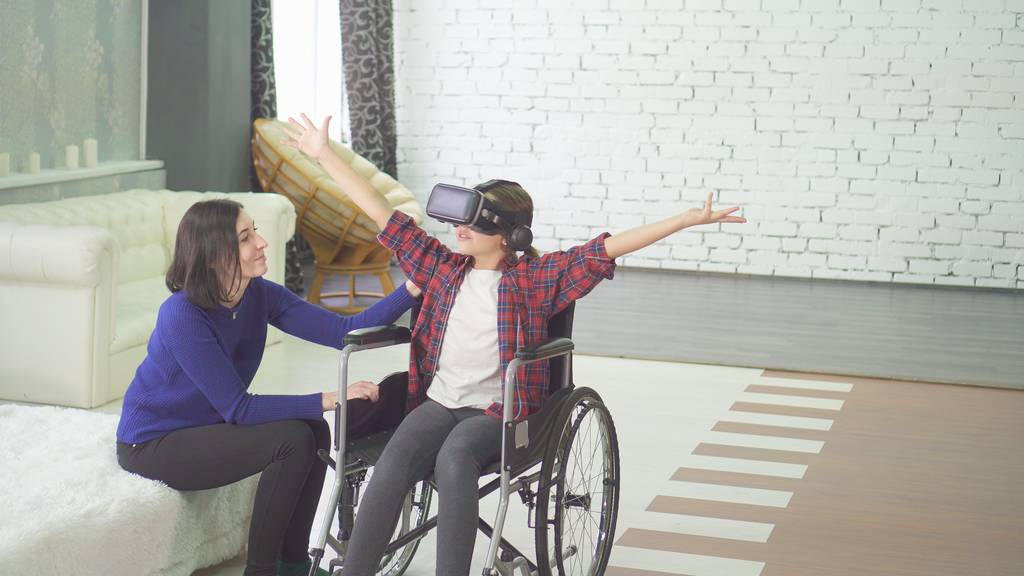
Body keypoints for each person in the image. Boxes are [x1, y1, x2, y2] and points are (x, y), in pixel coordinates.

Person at [285, 113, 747, 576]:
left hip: (497, 412)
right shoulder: (443, 269)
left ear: (510, 237)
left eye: (475, 224)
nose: (459, 230)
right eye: (460, 222)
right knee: (394, 463)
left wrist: (686, 221)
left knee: (455, 456)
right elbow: (385, 215)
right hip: (439, 400)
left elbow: (602, 251)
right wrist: (324, 153)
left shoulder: (533, 280)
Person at [115, 198, 421, 576]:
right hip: (153, 442)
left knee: (314, 429)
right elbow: (238, 409)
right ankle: (261, 571)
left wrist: (413, 286)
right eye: (245, 237)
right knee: (291, 440)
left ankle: (292, 564)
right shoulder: (183, 314)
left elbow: (344, 332)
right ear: (213, 256)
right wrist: (330, 397)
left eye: (255, 230)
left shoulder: (258, 293)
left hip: (205, 425)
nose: (261, 242)